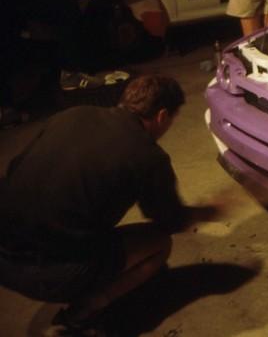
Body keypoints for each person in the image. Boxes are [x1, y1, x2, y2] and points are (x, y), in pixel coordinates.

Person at [0, 75, 223, 335]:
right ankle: (83, 313)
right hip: (48, 273)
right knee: (159, 244)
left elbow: (14, 171)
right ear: (162, 116)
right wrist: (208, 210)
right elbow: (170, 221)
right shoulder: (147, 156)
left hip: (3, 253)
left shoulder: (73, 115)